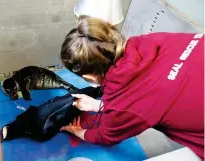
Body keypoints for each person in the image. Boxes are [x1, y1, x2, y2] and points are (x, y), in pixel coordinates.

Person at [59, 15, 204, 159]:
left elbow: (105, 136)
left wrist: (77, 131)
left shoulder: (124, 104)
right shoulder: (149, 40)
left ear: (89, 77)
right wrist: (101, 106)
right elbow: (148, 98)